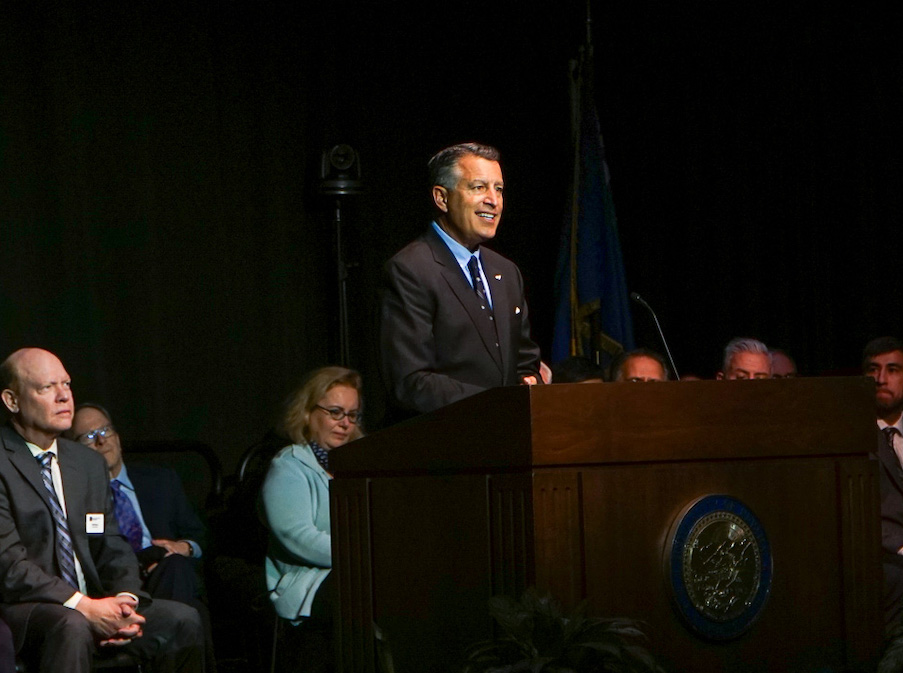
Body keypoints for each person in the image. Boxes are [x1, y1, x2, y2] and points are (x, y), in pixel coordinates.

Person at [0, 347, 204, 673]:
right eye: (46, 388)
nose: (64, 396)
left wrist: (125, 599)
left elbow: (108, 540)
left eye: (66, 384)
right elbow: (10, 566)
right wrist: (86, 608)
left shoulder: (86, 463)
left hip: (95, 601)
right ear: (12, 401)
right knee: (72, 625)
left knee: (182, 620)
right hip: (28, 609)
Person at [379, 142, 542, 418]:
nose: (493, 200)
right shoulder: (410, 270)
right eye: (478, 187)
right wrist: (498, 404)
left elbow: (525, 362)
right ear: (442, 198)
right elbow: (411, 381)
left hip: (507, 444)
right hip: (445, 446)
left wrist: (530, 382)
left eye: (499, 189)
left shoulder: (506, 272)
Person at [67, 403, 215, 669]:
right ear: (74, 450)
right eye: (88, 437)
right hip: (117, 589)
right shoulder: (77, 498)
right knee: (194, 615)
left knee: (177, 568)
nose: (101, 440)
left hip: (171, 574)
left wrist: (184, 547)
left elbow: (200, 536)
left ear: (118, 438)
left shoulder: (161, 480)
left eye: (105, 430)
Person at [260, 366, 364, 672]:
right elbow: (297, 536)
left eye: (352, 415)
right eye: (335, 412)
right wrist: (363, 554)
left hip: (349, 572)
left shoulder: (358, 465)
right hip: (303, 583)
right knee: (365, 586)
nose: (345, 423)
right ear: (308, 413)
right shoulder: (289, 465)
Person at [862, 337, 903, 631]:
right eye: (873, 370)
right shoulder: (851, 435)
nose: (881, 379)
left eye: (893, 369)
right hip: (884, 558)